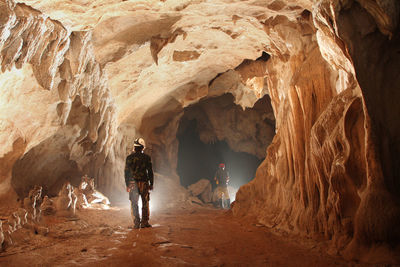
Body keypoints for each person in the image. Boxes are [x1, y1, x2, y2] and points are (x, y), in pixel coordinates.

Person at [124, 138, 154, 229]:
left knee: (134, 203)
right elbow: (150, 171)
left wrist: (127, 184)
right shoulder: (146, 158)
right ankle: (144, 222)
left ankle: (136, 223)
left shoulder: (129, 158)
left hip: (133, 184)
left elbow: (126, 172)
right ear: (142, 148)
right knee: (145, 202)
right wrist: (151, 183)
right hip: (144, 183)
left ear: (134, 147)